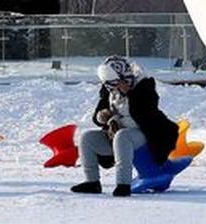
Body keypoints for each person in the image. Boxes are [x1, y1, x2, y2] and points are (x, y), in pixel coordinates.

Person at [71, 56, 179, 197]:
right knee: (87, 137)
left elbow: (146, 116)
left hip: (146, 134)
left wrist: (130, 93)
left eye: (114, 82)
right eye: (108, 83)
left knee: (123, 136)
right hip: (117, 134)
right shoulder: (110, 90)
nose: (111, 86)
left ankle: (123, 184)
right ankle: (92, 182)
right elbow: (98, 115)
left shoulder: (144, 86)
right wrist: (103, 116)